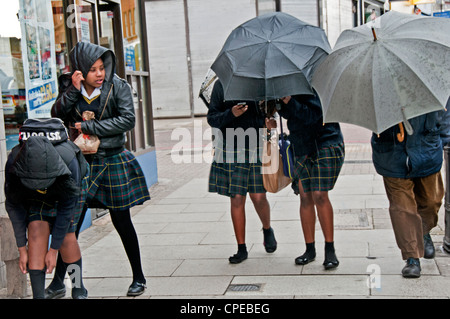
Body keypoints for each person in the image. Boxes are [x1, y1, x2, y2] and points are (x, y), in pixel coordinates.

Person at [50, 41, 150, 296]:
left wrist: (90, 127)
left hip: (112, 158)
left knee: (122, 220)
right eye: (93, 69)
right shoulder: (70, 85)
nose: (99, 74)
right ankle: (61, 282)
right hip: (81, 163)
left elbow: (128, 120)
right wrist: (72, 91)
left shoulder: (119, 86)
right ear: (81, 70)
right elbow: (57, 113)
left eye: (101, 68)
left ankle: (138, 277)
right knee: (70, 225)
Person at [5, 122, 89, 299]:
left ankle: (78, 288)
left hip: (66, 189)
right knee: (36, 230)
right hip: (32, 191)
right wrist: (22, 249)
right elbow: (14, 207)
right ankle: (38, 296)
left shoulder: (68, 160)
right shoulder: (14, 162)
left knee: (66, 238)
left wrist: (53, 250)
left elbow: (67, 209)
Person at [371, 109, 449, 278]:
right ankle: (412, 257)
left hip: (427, 149)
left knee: (431, 201)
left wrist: (443, 139)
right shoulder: (375, 85)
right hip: (391, 154)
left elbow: (445, 108)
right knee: (402, 209)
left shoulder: (427, 82)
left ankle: (423, 231)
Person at [270, 93, 344, 269]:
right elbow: (290, 115)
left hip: (325, 141)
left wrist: (289, 101)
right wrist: (276, 108)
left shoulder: (317, 81)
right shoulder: (287, 83)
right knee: (305, 196)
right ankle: (309, 249)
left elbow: (312, 116)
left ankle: (330, 249)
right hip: (301, 145)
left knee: (319, 194)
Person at [207, 80, 277, 263]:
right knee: (237, 198)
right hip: (230, 147)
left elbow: (267, 116)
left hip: (256, 146)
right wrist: (232, 113)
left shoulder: (260, 84)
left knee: (258, 197)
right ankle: (241, 248)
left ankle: (267, 228)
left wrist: (268, 124)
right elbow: (212, 118)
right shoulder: (221, 85)